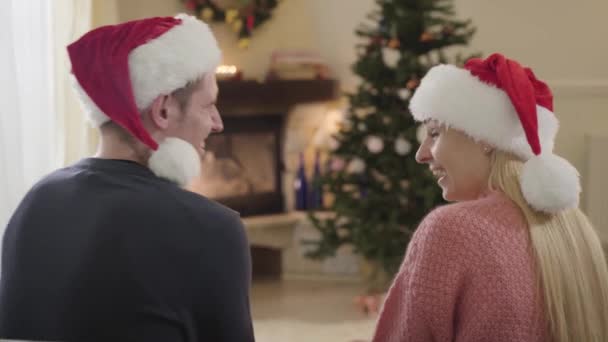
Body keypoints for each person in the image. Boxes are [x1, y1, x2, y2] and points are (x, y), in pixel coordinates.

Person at [0, 14, 255, 342]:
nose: (216, 123)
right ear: (163, 110)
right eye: (208, 106)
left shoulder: (36, 201)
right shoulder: (211, 227)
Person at [372, 53, 608, 342]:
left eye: (434, 133)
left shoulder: (451, 229)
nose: (422, 154)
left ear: (482, 136)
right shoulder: (574, 226)